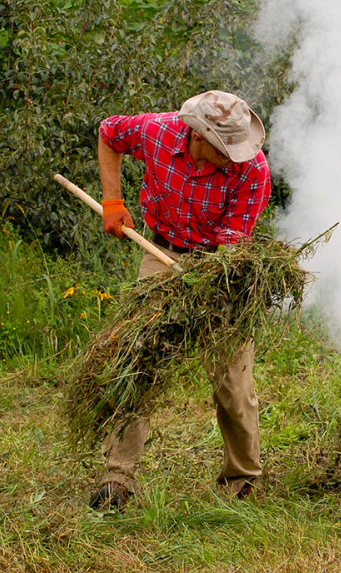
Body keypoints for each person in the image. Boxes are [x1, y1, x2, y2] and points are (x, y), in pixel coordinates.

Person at [90, 90, 271, 510]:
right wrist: (112, 202)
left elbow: (232, 246)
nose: (237, 157)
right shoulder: (156, 131)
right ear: (200, 137)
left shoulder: (252, 172)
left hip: (220, 268)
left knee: (233, 380)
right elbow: (108, 133)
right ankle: (118, 477)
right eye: (228, 149)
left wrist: (207, 283)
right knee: (136, 367)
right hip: (161, 253)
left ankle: (242, 478)